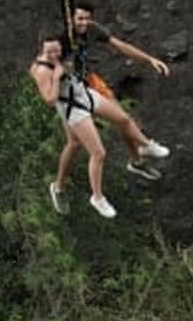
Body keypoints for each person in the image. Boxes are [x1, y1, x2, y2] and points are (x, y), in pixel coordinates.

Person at [29, 35, 165, 218]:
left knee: (123, 119)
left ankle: (144, 149)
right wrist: (56, 76)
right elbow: (50, 99)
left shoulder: (61, 55)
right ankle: (97, 197)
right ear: (41, 51)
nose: (54, 54)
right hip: (72, 108)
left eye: (57, 50)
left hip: (85, 94)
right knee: (98, 153)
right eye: (49, 51)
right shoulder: (41, 70)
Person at [64, 0, 171, 181]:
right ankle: (62, 184)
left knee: (123, 119)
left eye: (87, 19)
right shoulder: (61, 35)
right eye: (80, 18)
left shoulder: (92, 29)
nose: (84, 22)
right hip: (70, 87)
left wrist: (149, 59)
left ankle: (138, 160)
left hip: (90, 79)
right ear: (70, 17)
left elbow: (119, 45)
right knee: (75, 142)